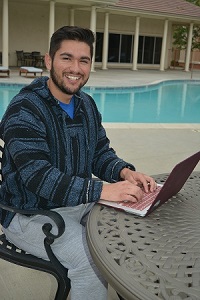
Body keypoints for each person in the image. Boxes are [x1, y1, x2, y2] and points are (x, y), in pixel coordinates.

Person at [0, 26, 157, 300]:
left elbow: (99, 153)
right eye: (66, 58)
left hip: (76, 202)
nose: (75, 68)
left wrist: (124, 172)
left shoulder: (86, 104)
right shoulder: (24, 109)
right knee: (90, 261)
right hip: (30, 213)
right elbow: (38, 176)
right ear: (49, 60)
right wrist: (102, 191)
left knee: (129, 235)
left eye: (83, 60)